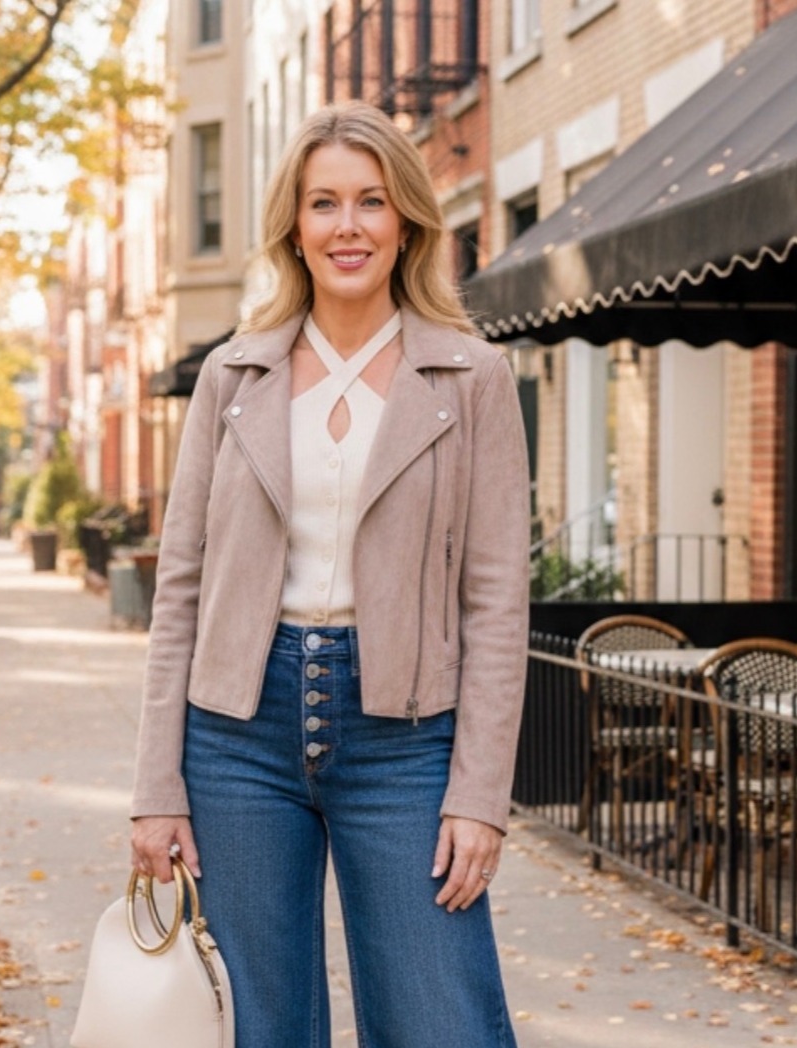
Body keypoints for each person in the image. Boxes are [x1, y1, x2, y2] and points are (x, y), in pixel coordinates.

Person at [130, 100, 530, 1047]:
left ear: (406, 224)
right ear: (294, 228)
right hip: (236, 737)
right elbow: (179, 585)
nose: (347, 226)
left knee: (443, 1021)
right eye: (324, 204)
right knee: (260, 1027)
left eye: (371, 203)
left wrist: (479, 796)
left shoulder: (471, 379)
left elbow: (497, 600)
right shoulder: (234, 376)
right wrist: (158, 785)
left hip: (407, 740)